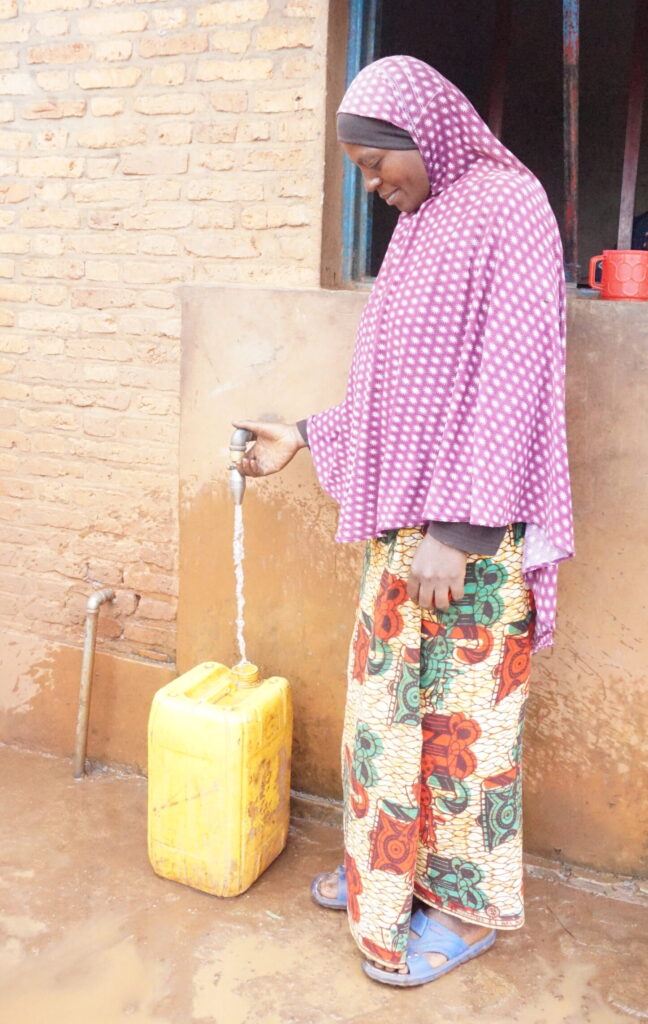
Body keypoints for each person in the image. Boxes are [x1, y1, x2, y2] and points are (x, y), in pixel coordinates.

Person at [233, 55, 573, 987]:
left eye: (377, 165)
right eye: (359, 173)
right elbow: (403, 387)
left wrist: (459, 531)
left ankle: (461, 912)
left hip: (471, 539)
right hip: (408, 533)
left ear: (425, 135)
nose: (373, 186)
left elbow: (512, 380)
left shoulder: (510, 208)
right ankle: (388, 857)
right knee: (389, 715)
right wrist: (305, 435)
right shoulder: (425, 224)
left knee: (465, 727)